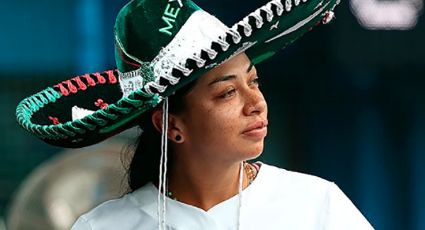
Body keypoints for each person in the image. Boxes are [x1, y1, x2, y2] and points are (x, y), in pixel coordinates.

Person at [16, 0, 373, 229]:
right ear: (171, 124)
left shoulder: (316, 207)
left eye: (255, 81)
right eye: (228, 92)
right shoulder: (106, 226)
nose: (256, 103)